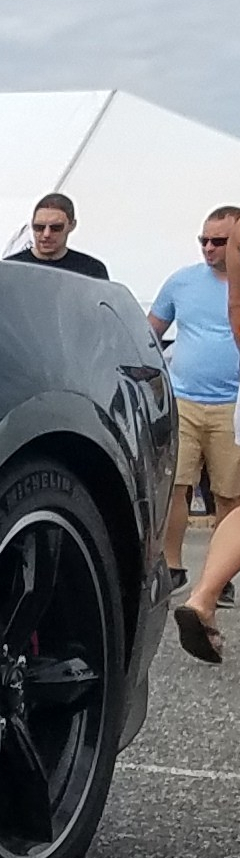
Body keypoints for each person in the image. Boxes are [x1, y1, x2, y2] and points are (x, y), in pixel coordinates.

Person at [152, 207, 240, 589]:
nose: (208, 247)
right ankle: (172, 566)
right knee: (176, 484)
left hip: (233, 403)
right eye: (203, 239)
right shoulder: (182, 282)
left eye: (218, 241)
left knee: (228, 493)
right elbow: (151, 331)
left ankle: (218, 576)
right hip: (183, 398)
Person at [5, 192, 108, 280]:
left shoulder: (92, 270)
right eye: (39, 227)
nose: (46, 234)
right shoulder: (9, 268)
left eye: (56, 228)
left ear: (72, 225)